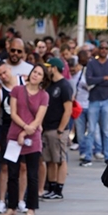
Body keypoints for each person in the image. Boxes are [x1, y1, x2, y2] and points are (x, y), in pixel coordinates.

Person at [0, 64, 48, 215]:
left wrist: (25, 132)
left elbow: (39, 119)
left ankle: (31, 208)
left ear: (43, 78)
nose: (35, 75)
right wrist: (23, 129)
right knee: (12, 174)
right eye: (35, 71)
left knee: (32, 175)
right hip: (14, 136)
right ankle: (11, 207)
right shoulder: (17, 90)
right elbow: (12, 113)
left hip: (32, 138)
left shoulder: (43, 95)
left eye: (39, 73)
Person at [0, 61, 25, 214]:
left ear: (10, 69)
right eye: (0, 75)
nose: (3, 76)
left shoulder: (24, 82)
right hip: (7, 130)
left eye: (5, 72)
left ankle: (21, 200)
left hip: (24, 128)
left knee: (23, 167)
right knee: (5, 166)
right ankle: (2, 199)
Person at [41, 58, 73, 200]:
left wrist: (61, 129)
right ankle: (52, 186)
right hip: (47, 127)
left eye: (49, 67)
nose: (47, 69)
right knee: (50, 160)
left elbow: (68, 110)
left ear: (54, 68)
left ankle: (59, 189)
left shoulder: (64, 85)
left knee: (60, 159)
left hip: (58, 129)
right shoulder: (49, 84)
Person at [83, 42, 108, 166]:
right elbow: (88, 80)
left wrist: (97, 81)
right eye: (101, 48)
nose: (103, 50)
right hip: (94, 100)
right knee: (91, 129)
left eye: (106, 48)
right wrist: (103, 78)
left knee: (107, 130)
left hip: (107, 100)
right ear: (98, 50)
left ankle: (107, 156)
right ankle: (87, 156)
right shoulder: (92, 63)